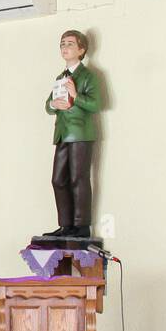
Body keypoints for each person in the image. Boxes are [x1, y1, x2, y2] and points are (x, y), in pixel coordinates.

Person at [43, 29, 100, 239]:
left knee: (79, 178)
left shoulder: (88, 76)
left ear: (81, 49)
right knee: (58, 179)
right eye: (62, 44)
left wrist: (76, 95)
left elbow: (96, 104)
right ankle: (66, 225)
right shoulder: (61, 77)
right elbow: (48, 106)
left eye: (69, 44)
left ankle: (81, 225)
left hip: (80, 134)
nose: (64, 48)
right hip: (62, 134)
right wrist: (53, 104)